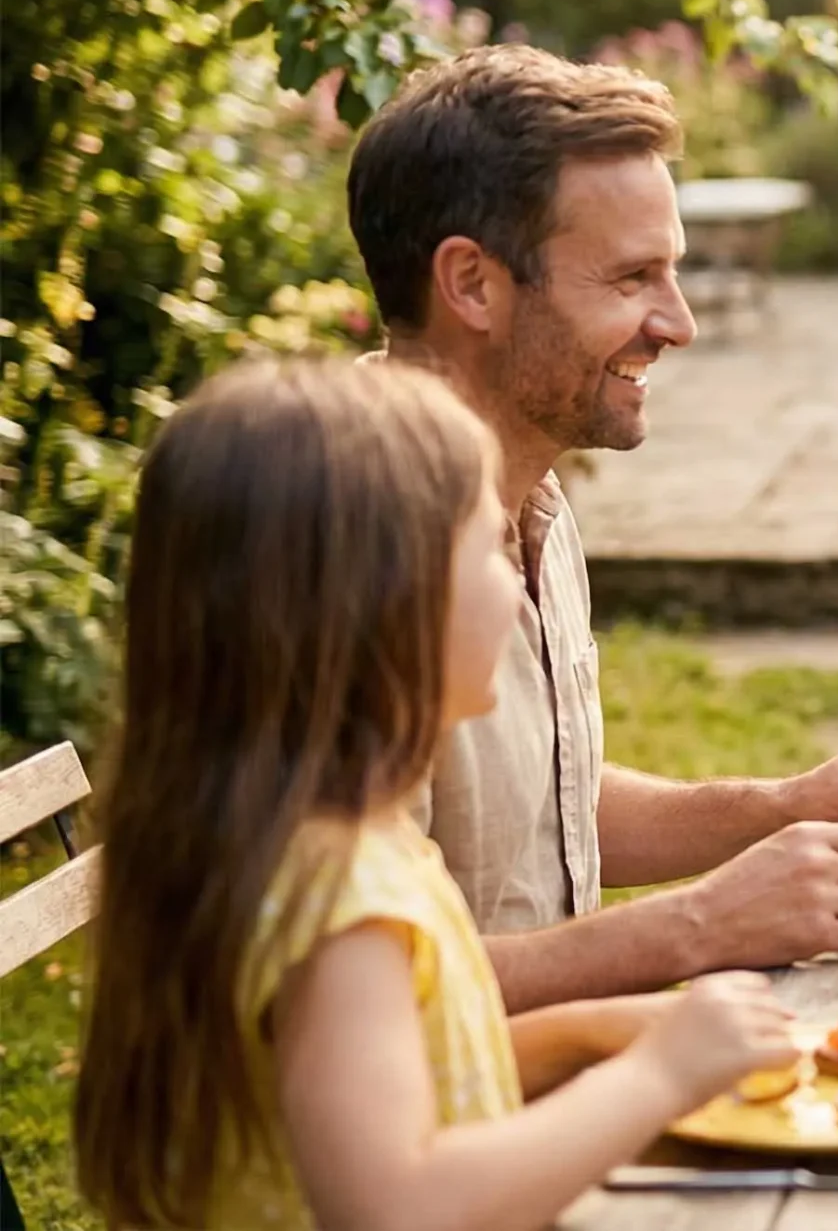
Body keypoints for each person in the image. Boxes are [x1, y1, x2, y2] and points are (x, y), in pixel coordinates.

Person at [74, 359, 800, 1231]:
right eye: (483, 552)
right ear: (384, 609)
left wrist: (591, 1034)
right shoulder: (344, 904)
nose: (513, 584)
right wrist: (659, 1077)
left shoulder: (312, 847)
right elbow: (400, 1204)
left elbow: (400, 1079)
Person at [347, 45, 838, 1009]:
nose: (678, 323)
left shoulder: (525, 494)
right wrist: (700, 924)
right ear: (472, 285)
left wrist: (784, 807)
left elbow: (540, 808)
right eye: (632, 278)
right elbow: (367, 991)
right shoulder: (345, 552)